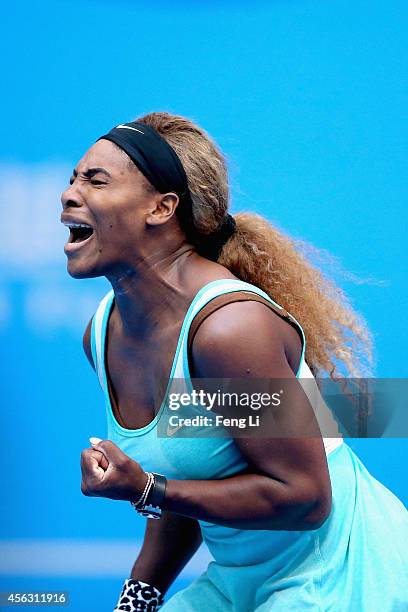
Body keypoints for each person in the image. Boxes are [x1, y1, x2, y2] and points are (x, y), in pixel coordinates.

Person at [61, 112, 408, 611]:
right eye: (73, 179)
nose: (70, 194)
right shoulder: (104, 333)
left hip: (340, 575)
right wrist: (136, 602)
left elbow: (306, 497)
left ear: (162, 208)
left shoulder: (229, 330)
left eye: (96, 181)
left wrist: (148, 489)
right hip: (242, 583)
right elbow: (187, 477)